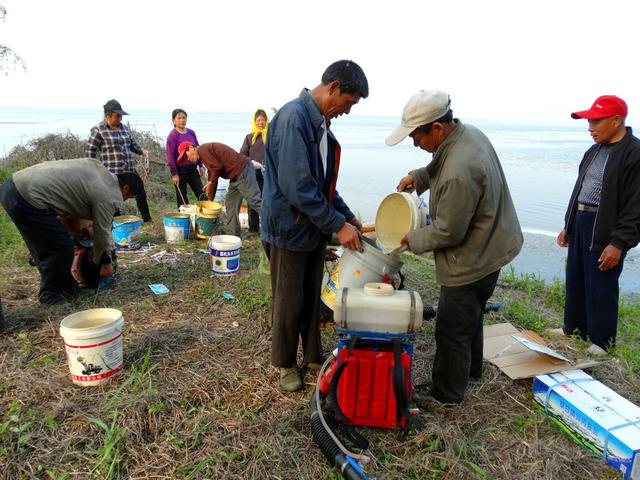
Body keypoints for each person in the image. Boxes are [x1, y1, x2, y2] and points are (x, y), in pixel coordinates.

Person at [386, 89, 523, 404]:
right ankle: (472, 370)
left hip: (474, 257)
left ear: (436, 128)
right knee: (470, 315)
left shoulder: (459, 172)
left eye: (416, 136)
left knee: (451, 326)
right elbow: (440, 163)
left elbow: (448, 232)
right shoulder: (465, 135)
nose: (414, 143)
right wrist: (419, 177)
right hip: (493, 243)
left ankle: (446, 393)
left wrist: (412, 238)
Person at [261, 60, 368, 392]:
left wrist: (347, 216)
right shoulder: (294, 118)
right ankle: (283, 363)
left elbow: (323, 185)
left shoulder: (321, 125)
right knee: (289, 299)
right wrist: (338, 225)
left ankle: (311, 355)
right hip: (289, 228)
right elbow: (299, 188)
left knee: (311, 293)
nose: (346, 112)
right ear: (333, 87)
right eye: (348, 103)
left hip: (310, 227)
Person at [556, 95, 640, 354]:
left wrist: (618, 243)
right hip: (582, 220)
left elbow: (636, 206)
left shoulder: (634, 153)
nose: (590, 128)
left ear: (617, 120)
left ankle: (602, 341)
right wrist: (568, 225)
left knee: (601, 284)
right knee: (576, 277)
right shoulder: (594, 150)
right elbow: (581, 189)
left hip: (607, 225)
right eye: (589, 122)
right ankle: (574, 329)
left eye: (596, 121)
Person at [0, 158, 143, 305]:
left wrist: (78, 235)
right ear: (125, 189)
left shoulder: (99, 173)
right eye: (128, 197)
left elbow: (69, 216)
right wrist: (106, 264)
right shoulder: (109, 194)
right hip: (25, 195)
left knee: (53, 244)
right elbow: (102, 233)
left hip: (14, 186)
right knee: (60, 249)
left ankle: (67, 288)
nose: (124, 201)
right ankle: (51, 296)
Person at [86, 99, 152, 222]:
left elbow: (132, 144)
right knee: (114, 199)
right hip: (112, 173)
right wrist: (93, 171)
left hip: (129, 169)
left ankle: (147, 219)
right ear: (107, 115)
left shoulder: (124, 128)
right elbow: (90, 152)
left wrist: (141, 151)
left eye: (121, 116)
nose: (120, 118)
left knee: (140, 192)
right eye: (117, 116)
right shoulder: (98, 130)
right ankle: (116, 223)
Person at [182, 141, 262, 237]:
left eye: (186, 155)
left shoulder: (202, 150)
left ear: (191, 148)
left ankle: (277, 228)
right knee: (230, 204)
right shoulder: (204, 154)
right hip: (235, 176)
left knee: (255, 201)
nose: (188, 159)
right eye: (185, 159)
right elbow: (213, 174)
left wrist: (210, 182)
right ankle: (233, 236)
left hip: (243, 170)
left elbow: (217, 168)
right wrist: (210, 199)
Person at [166, 109, 205, 207]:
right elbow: (170, 156)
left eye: (184, 118)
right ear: (173, 120)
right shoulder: (173, 135)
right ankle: (184, 219)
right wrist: (174, 174)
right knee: (182, 198)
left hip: (192, 169)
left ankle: (205, 217)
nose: (182, 120)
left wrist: (201, 165)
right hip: (180, 170)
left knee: (202, 193)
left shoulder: (191, 133)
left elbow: (197, 149)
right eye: (179, 118)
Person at [239, 109, 268, 235]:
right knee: (253, 199)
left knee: (268, 199)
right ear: (254, 122)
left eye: (263, 120)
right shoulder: (250, 137)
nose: (261, 122)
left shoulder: (272, 136)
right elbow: (242, 155)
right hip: (253, 173)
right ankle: (253, 229)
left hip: (268, 173)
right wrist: (253, 163)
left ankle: (268, 227)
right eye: (258, 120)